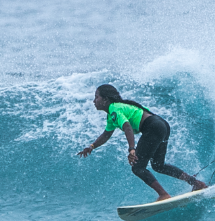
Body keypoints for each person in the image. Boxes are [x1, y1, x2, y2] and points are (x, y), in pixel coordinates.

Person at [78, 84, 208, 201]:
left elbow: (127, 127)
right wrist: (92, 146)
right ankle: (196, 183)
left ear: (105, 99)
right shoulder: (114, 113)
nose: (94, 101)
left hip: (152, 127)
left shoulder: (114, 108)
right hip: (162, 125)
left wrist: (131, 149)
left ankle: (163, 195)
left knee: (137, 167)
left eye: (96, 97)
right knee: (158, 165)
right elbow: (106, 134)